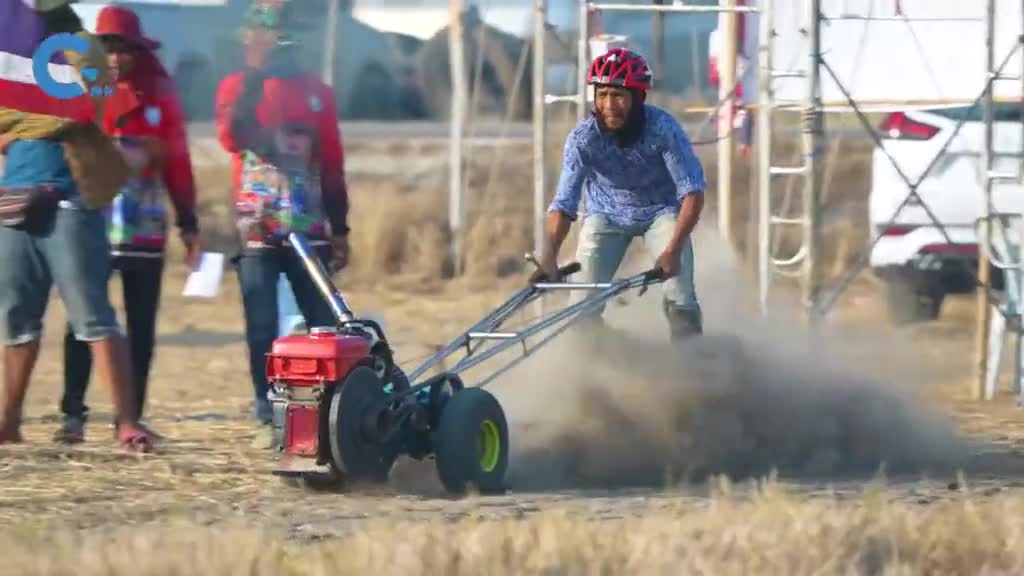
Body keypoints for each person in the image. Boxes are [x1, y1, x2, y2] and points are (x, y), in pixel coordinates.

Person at [0, 0, 155, 451]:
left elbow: (88, 108)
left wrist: (31, 120)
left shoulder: (80, 48)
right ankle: (9, 423)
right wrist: (32, 121)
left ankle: (127, 422)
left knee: (93, 316)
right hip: (14, 199)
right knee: (16, 321)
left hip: (72, 197)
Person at [53, 5, 200, 444]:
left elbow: (178, 163)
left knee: (140, 325)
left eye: (124, 50)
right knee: (84, 319)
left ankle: (128, 417)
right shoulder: (81, 90)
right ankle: (72, 414)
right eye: (108, 50)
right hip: (89, 220)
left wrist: (188, 223)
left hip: (143, 228)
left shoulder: (161, 94)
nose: (116, 60)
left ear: (138, 51)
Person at [214, 0, 350, 445]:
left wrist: (341, 227)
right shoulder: (237, 86)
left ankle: (327, 407)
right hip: (257, 228)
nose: (276, 42)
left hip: (309, 228)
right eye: (264, 33)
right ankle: (266, 408)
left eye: (282, 33)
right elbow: (232, 137)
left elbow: (331, 162)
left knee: (322, 321)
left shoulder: (317, 92)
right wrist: (255, 74)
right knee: (261, 322)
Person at [536, 48, 706, 341]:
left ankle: (693, 367)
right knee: (581, 310)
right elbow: (564, 204)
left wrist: (673, 250)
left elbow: (692, 191)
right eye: (601, 95)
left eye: (618, 96)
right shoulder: (582, 139)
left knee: (680, 295)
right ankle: (608, 366)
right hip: (606, 215)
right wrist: (549, 254)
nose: (609, 105)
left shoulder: (663, 129)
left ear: (637, 98)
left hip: (661, 212)